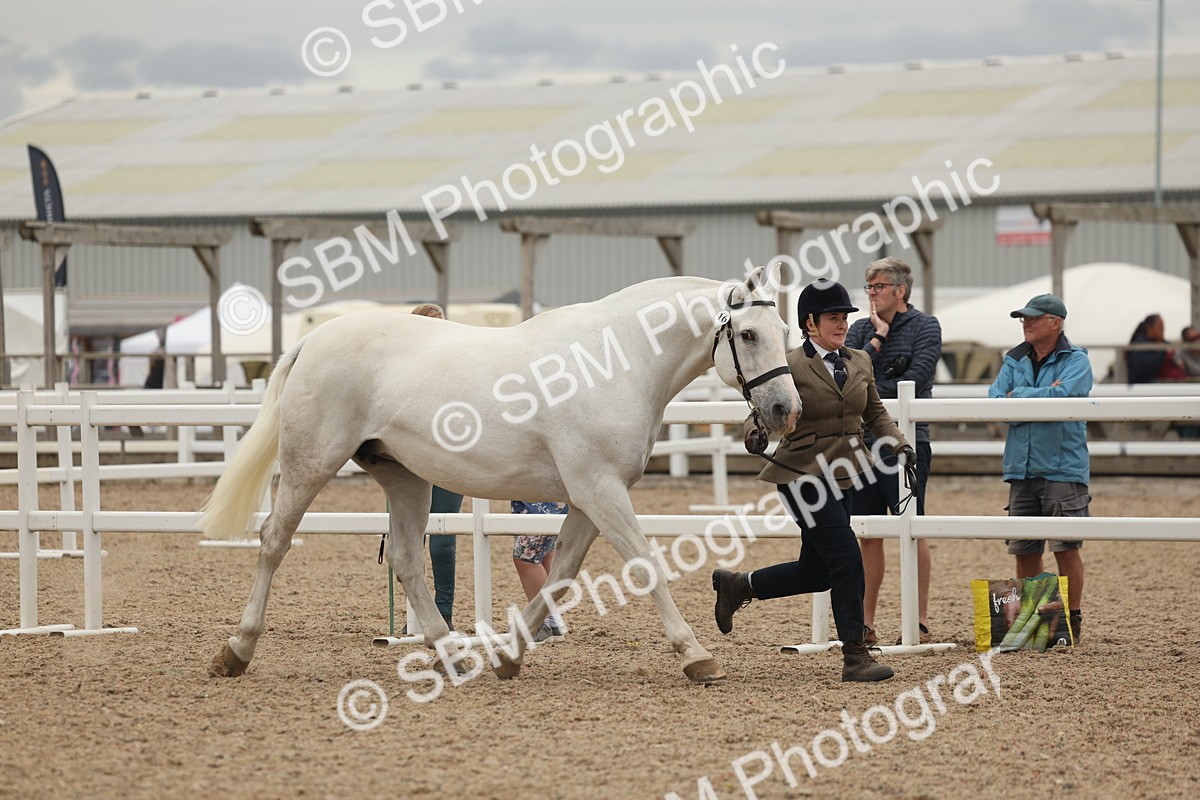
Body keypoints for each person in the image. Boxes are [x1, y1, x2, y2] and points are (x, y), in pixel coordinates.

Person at [711, 278, 914, 682]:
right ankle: (855, 655)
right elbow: (765, 408)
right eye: (833, 318)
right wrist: (758, 429)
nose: (842, 325)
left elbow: (874, 413)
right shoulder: (789, 364)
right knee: (846, 559)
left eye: (844, 317)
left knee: (818, 571)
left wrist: (899, 444)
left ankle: (739, 585)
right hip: (802, 475)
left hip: (847, 473)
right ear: (810, 323)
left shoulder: (859, 361)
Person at [845, 257, 941, 646]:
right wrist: (878, 341)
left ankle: (917, 619)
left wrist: (867, 390)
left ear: (900, 290)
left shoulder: (925, 326)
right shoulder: (858, 329)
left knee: (911, 529)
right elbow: (843, 375)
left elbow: (917, 379)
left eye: (878, 286)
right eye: (868, 287)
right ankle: (865, 622)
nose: (871, 293)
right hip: (859, 446)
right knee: (867, 533)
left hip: (906, 444)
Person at [988, 293, 1091, 643]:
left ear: (1055, 322)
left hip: (1060, 467)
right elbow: (995, 399)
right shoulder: (1017, 358)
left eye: (1033, 318)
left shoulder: (1077, 359)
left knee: (1065, 547)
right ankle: (1042, 624)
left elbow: (1062, 399)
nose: (1025, 323)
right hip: (1024, 466)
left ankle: (1070, 619)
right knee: (1025, 549)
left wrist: (1019, 397)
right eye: (1023, 318)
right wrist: (1042, 394)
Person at [413, 303, 461, 629]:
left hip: (448, 459)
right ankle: (418, 615)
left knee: (443, 539)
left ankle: (443, 612)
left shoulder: (459, 368)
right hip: (411, 459)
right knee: (410, 538)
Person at [511, 501, 568, 643]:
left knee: (525, 558)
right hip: (554, 502)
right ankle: (553, 622)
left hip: (538, 502)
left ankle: (543, 623)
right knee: (545, 554)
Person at [1126, 313, 1188, 383]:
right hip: (1153, 387)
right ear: (1150, 328)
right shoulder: (1140, 345)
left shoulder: (1164, 343)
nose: (1163, 328)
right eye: (1160, 325)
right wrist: (1162, 351)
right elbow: (1144, 369)